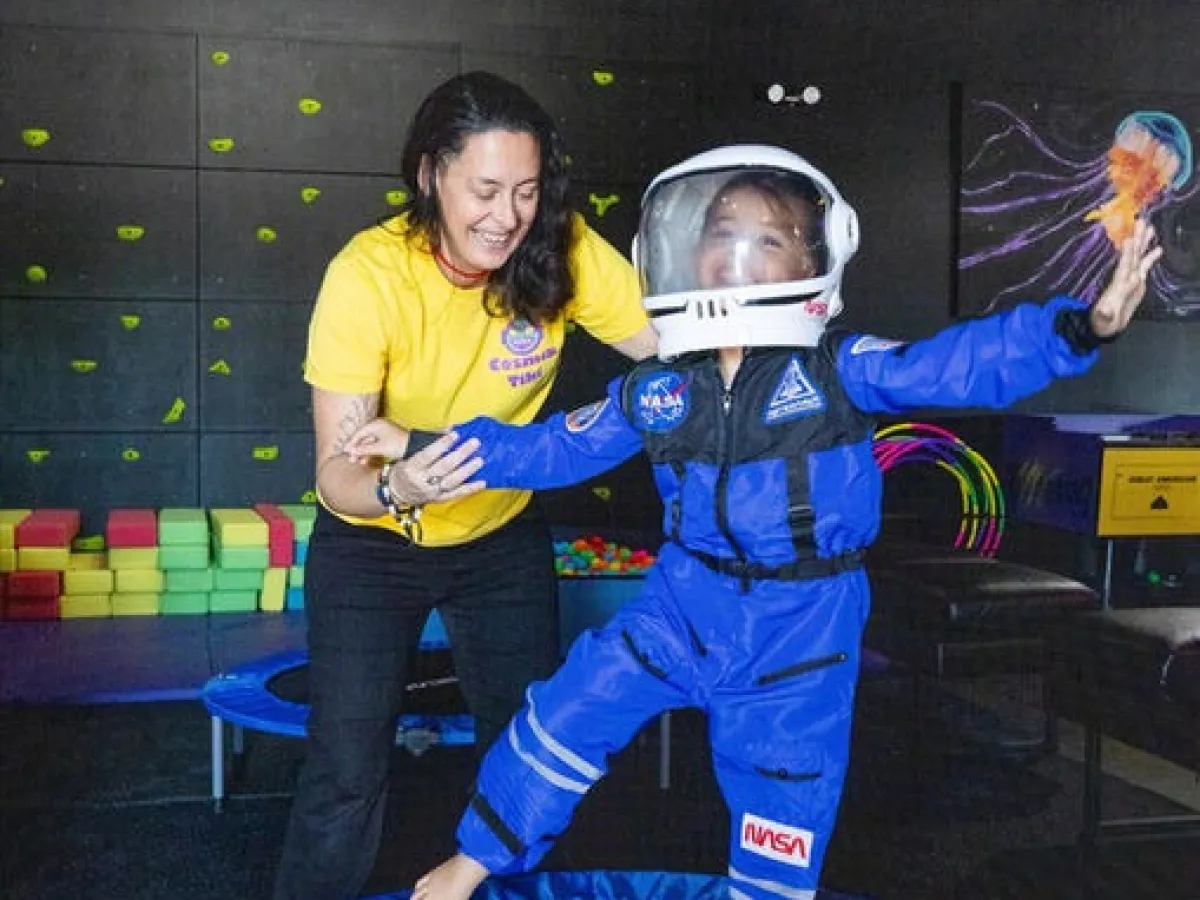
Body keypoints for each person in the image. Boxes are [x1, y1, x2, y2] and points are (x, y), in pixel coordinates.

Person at [345, 144, 1162, 900]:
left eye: (768, 240)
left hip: (801, 632)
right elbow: (554, 448)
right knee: (567, 710)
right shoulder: (665, 388)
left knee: (784, 799)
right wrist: (420, 445)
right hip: (683, 605)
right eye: (721, 233)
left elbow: (954, 366)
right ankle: (470, 862)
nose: (736, 254)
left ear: (814, 259)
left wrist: (1076, 330)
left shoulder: (840, 371)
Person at [273, 70, 657, 900]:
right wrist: (400, 485)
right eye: (484, 189)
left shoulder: (561, 247)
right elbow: (339, 476)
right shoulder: (368, 275)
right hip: (375, 542)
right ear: (430, 175)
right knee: (345, 768)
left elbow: (672, 349)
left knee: (529, 750)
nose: (506, 216)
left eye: (525, 190)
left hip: (498, 535)